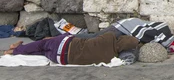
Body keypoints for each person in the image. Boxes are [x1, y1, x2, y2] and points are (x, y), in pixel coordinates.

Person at [74, 18, 174, 63]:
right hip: (126, 28)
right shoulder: (166, 31)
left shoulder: (172, 47)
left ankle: (72, 38)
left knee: (98, 46)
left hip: (125, 36)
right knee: (94, 39)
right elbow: (153, 30)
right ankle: (63, 37)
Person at [3, 32, 138, 65]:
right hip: (61, 59)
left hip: (65, 45)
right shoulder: (111, 58)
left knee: (44, 43)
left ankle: (15, 50)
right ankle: (18, 49)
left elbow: (90, 36)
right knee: (45, 52)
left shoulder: (109, 37)